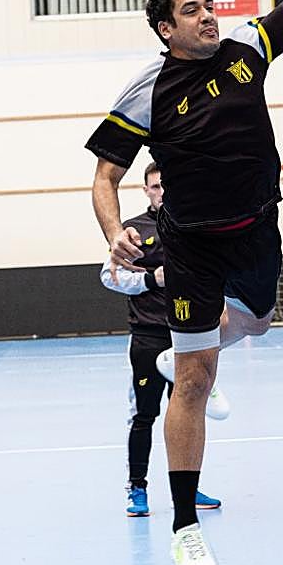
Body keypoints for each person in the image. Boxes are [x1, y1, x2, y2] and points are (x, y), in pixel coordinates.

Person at [85, 0, 283, 565]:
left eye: (209, 4)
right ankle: (186, 525)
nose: (208, 15)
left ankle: (186, 348)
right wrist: (113, 233)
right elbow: (104, 178)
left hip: (258, 233)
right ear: (167, 28)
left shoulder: (246, 50)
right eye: (192, 10)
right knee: (195, 380)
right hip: (192, 247)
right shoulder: (148, 92)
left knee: (259, 322)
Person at [99, 162, 223, 517]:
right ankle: (137, 488)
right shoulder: (132, 230)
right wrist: (152, 279)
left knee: (189, 411)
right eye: (154, 187)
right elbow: (108, 275)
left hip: (189, 336)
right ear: (146, 191)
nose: (161, 192)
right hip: (149, 336)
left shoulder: (193, 226)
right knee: (144, 414)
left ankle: (187, 486)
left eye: (165, 185)